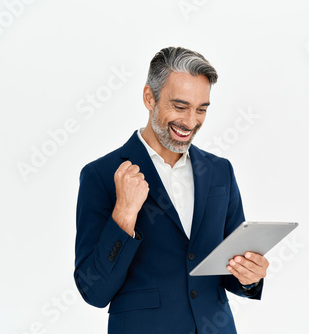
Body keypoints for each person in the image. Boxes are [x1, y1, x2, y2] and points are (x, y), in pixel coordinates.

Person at [74, 46, 269, 334]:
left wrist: (249, 275)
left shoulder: (220, 171)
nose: (191, 122)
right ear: (149, 97)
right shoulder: (101, 176)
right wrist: (125, 213)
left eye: (201, 109)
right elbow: (94, 292)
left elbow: (230, 267)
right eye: (180, 106)